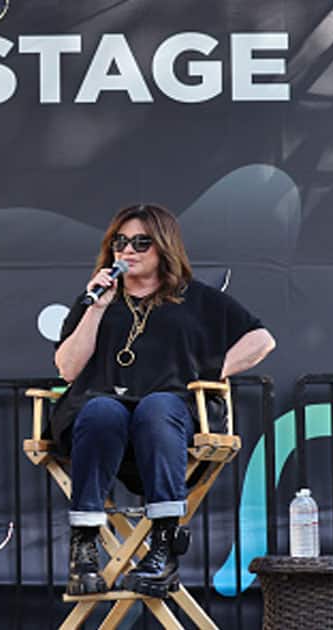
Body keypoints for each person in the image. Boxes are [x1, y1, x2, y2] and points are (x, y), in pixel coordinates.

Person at [52, 203, 275, 598]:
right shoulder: (97, 300)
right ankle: (83, 550)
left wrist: (211, 371)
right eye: (120, 242)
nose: (129, 251)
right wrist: (97, 309)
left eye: (141, 242)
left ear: (164, 247)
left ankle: (163, 548)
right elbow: (68, 369)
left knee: (157, 406)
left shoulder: (197, 299)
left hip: (170, 415)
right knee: (100, 408)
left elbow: (261, 340)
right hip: (105, 417)